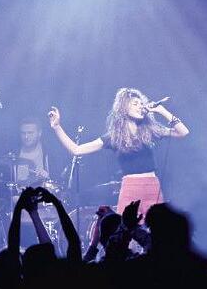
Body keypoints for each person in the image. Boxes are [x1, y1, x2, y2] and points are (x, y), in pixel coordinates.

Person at [49, 88, 189, 216]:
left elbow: (183, 132)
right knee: (125, 230)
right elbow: (76, 150)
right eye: (135, 103)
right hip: (130, 188)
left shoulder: (150, 130)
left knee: (157, 229)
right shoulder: (114, 136)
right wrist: (57, 127)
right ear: (123, 108)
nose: (140, 106)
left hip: (152, 186)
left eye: (141, 103)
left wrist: (162, 111)